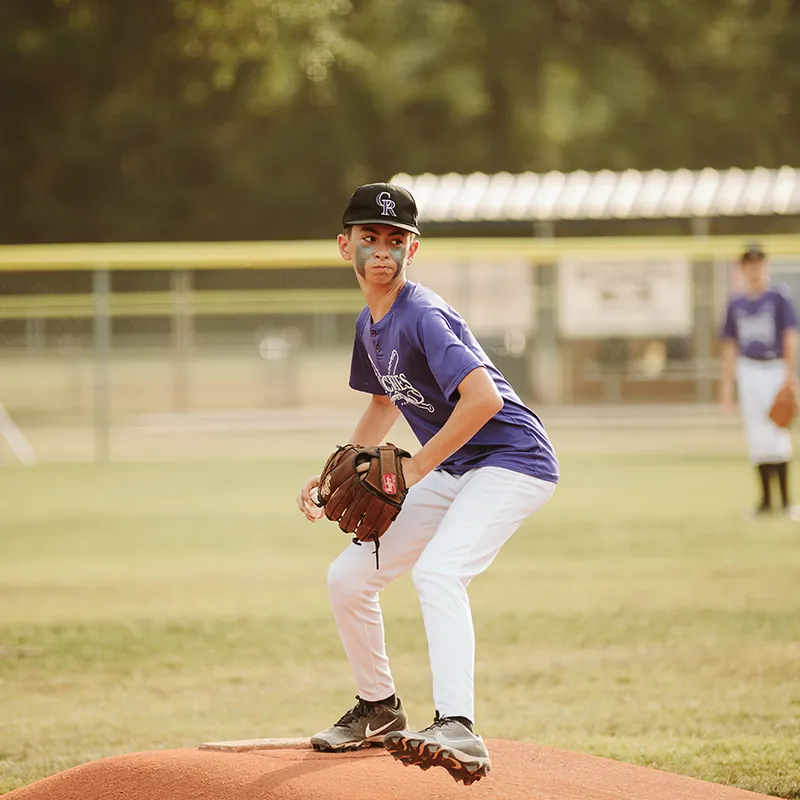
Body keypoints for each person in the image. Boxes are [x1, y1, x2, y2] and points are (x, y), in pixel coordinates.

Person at [295, 182, 559, 783]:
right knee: (348, 577)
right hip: (458, 465)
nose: (382, 250)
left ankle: (458, 726)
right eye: (369, 238)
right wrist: (334, 468)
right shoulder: (370, 323)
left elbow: (484, 400)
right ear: (345, 246)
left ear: (412, 250)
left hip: (513, 459)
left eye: (396, 240)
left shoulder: (421, 315)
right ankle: (379, 708)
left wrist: (414, 470)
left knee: (440, 571)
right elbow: (383, 401)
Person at [720, 245, 799, 518]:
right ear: (743, 269)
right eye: (750, 265)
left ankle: (786, 502)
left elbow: (790, 337)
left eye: (759, 264)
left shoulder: (778, 297)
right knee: (756, 434)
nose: (755, 270)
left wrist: (790, 377)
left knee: (777, 431)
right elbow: (729, 345)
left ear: (766, 266)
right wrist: (726, 384)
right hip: (748, 368)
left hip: (775, 365)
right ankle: (765, 502)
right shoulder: (736, 303)